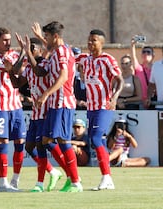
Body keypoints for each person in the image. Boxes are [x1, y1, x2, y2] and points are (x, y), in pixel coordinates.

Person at [28, 21, 82, 192]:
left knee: (63, 141)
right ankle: (66, 176)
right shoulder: (58, 51)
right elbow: (53, 49)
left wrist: (45, 94)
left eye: (47, 36)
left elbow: (64, 77)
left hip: (62, 102)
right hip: (55, 103)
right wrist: (39, 38)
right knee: (45, 140)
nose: (46, 40)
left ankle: (75, 182)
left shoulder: (62, 52)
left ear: (55, 36)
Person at [5, 36, 63, 192]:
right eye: (28, 49)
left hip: (47, 111)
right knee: (30, 147)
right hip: (36, 113)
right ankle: (55, 171)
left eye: (31, 49)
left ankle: (41, 183)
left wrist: (27, 53)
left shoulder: (44, 63)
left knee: (43, 145)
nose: (29, 52)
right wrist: (10, 70)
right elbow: (17, 83)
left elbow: (41, 73)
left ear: (38, 50)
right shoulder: (29, 67)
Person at [76, 29, 124, 191]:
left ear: (102, 43)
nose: (90, 43)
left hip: (104, 106)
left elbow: (120, 80)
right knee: (98, 141)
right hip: (91, 107)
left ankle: (106, 178)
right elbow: (65, 57)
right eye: (89, 40)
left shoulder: (107, 59)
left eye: (94, 40)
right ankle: (107, 179)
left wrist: (115, 98)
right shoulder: (84, 58)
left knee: (96, 139)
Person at [0, 27, 26, 192]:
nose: (8, 43)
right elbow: (13, 69)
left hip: (16, 105)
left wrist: (23, 53)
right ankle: (3, 183)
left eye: (9, 40)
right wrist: (24, 51)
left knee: (20, 142)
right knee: (2, 142)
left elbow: (22, 69)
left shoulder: (15, 54)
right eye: (4, 40)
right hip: (0, 105)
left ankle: (15, 180)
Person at [131, 37, 155, 109]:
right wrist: (132, 45)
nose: (146, 54)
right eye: (144, 52)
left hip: (153, 100)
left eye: (148, 52)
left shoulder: (156, 68)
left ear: (153, 56)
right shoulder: (139, 68)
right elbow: (133, 57)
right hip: (141, 102)